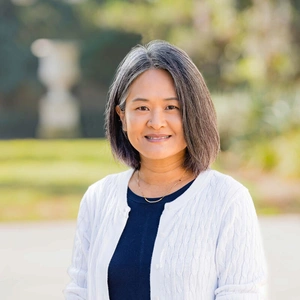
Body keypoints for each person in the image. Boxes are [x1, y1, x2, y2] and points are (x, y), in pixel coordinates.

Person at [64, 40, 267, 300]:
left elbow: (242, 294)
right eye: (142, 108)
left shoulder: (227, 199)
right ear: (122, 117)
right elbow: (80, 291)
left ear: (193, 112)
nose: (156, 122)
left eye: (172, 107)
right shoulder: (99, 198)